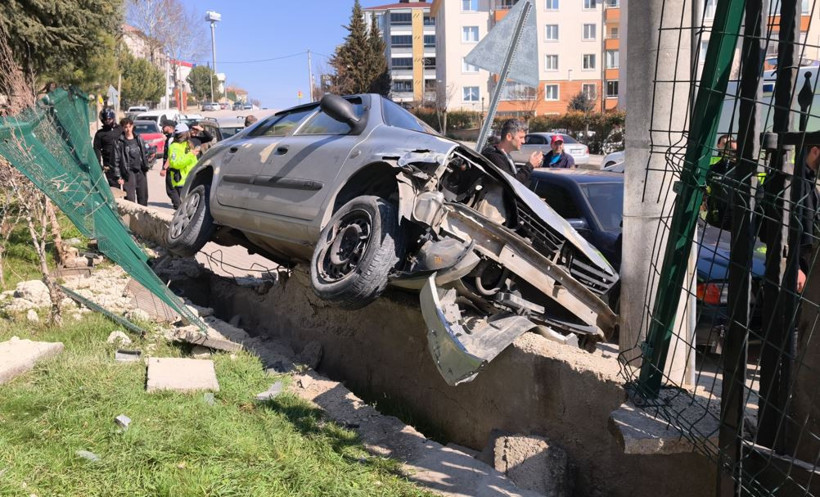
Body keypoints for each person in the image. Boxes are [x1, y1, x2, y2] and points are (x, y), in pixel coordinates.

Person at [481, 119, 542, 184]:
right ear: (509, 137)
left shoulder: (505, 155)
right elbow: (513, 183)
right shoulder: (494, 156)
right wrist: (530, 165)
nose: (523, 141)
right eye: (521, 137)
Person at [797, 145, 820, 292]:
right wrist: (796, 267)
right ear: (815, 151)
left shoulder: (811, 179)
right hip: (799, 266)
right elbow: (783, 228)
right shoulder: (796, 181)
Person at [113, 118, 150, 206]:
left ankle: (143, 214)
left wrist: (146, 163)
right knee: (130, 198)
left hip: (140, 171)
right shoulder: (119, 142)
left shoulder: (138, 138)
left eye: (129, 126)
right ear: (122, 128)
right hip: (128, 172)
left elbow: (144, 153)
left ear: (132, 126)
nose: (128, 129)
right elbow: (115, 160)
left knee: (143, 197)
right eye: (125, 127)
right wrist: (118, 176)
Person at [166, 123, 200, 209]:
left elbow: (193, 162)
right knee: (184, 207)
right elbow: (175, 163)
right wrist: (191, 155)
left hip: (191, 179)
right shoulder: (174, 146)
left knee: (191, 207)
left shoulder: (188, 144)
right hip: (181, 181)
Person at [92, 108, 123, 188]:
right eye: (106, 120)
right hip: (109, 165)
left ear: (113, 118)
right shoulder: (100, 134)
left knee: (128, 189)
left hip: (123, 163)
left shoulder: (120, 129)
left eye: (109, 119)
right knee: (114, 188)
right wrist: (98, 164)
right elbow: (97, 149)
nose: (108, 121)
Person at [159, 119, 178, 207]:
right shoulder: (172, 138)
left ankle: (178, 206)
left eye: (164, 126)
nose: (162, 128)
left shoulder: (171, 139)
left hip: (171, 168)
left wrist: (164, 168)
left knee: (171, 189)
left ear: (169, 127)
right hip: (174, 167)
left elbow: (171, 156)